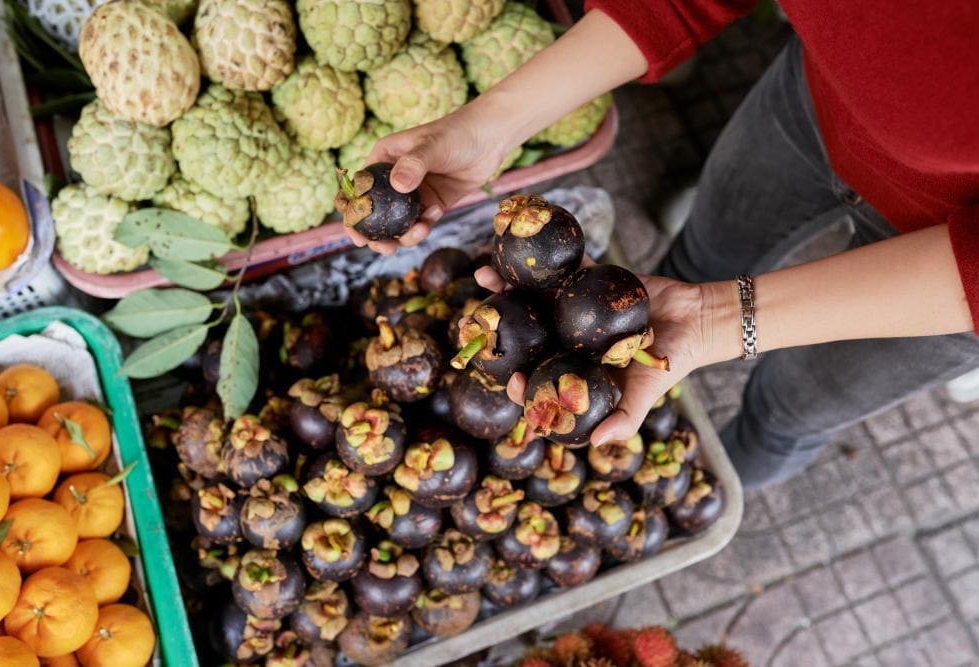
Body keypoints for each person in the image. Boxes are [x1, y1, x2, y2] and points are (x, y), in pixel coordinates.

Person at [346, 1, 979, 488]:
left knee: (790, 408)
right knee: (696, 259)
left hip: (952, 273)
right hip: (810, 101)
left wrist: (723, 321)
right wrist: (489, 128)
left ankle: (710, 477)